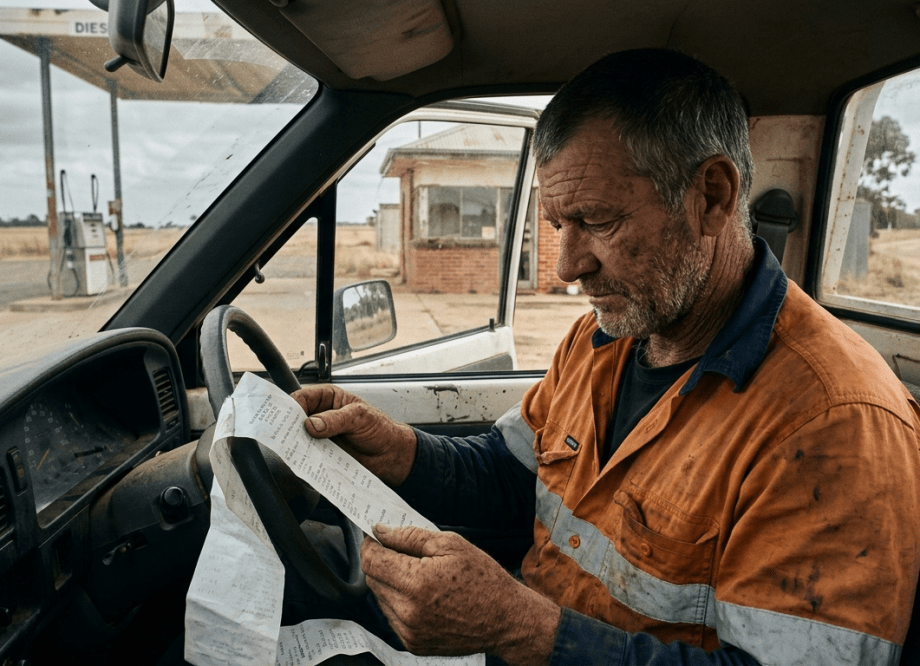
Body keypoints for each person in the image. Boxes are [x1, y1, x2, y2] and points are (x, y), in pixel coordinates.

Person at [292, 48, 920, 665]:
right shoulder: (604, 340)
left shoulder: (834, 423)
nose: (568, 266)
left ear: (711, 196)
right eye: (557, 223)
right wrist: (399, 451)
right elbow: (516, 476)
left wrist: (522, 629)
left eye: (596, 220)